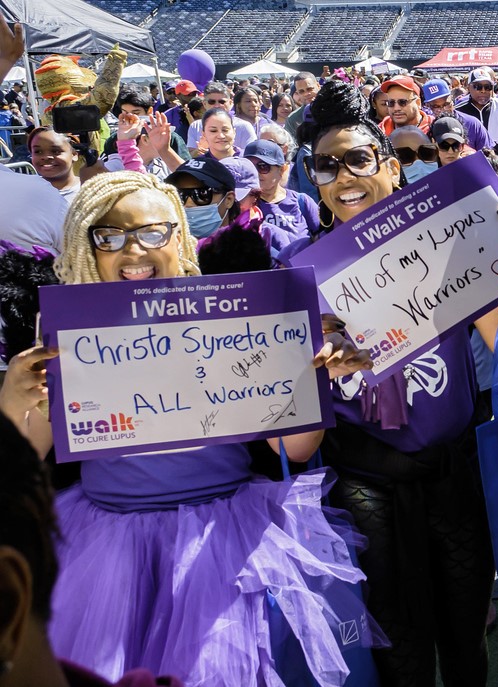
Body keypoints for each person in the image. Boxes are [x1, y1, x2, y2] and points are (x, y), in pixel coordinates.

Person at [0, 171, 382, 686]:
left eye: (152, 232)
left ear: (178, 235)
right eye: (108, 235)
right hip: (106, 550)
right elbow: (27, 461)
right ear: (85, 243)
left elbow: (294, 450)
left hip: (224, 537)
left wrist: (307, 385)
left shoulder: (230, 317)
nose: (132, 249)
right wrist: (13, 402)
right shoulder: (67, 335)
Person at [279, 80, 498, 686]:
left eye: (357, 159)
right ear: (315, 182)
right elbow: (284, 405)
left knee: (464, 644)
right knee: (396, 653)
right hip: (361, 488)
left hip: (452, 476)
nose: (343, 176)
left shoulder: (446, 244)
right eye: (325, 165)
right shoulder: (297, 270)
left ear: (392, 167)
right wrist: (312, 358)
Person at [0, 410, 185, 687]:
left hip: (216, 534)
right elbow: (26, 458)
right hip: (104, 539)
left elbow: (273, 434)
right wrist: (17, 401)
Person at [245, 138, 319, 251]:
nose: (255, 172)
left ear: (282, 169)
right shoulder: (242, 205)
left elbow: (324, 238)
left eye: (263, 166)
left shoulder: (302, 202)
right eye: (250, 166)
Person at [456, 69, 498, 160]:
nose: (483, 91)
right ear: (468, 87)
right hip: (469, 167)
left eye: (487, 87)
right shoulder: (459, 111)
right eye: (478, 86)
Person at [420, 78, 494, 152]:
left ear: (452, 98)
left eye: (446, 104)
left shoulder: (472, 124)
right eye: (436, 107)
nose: (442, 110)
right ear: (427, 106)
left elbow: (489, 155)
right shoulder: (425, 129)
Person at [186, 83, 257, 155]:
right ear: (204, 104)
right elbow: (189, 155)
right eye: (212, 102)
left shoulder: (244, 126)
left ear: (230, 103)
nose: (217, 105)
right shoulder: (195, 126)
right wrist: (199, 151)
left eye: (222, 102)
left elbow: (252, 156)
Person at [28, 127, 81, 203]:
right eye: (38, 151)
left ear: (74, 154)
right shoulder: (26, 192)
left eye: (55, 151)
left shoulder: (89, 190)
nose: (46, 157)